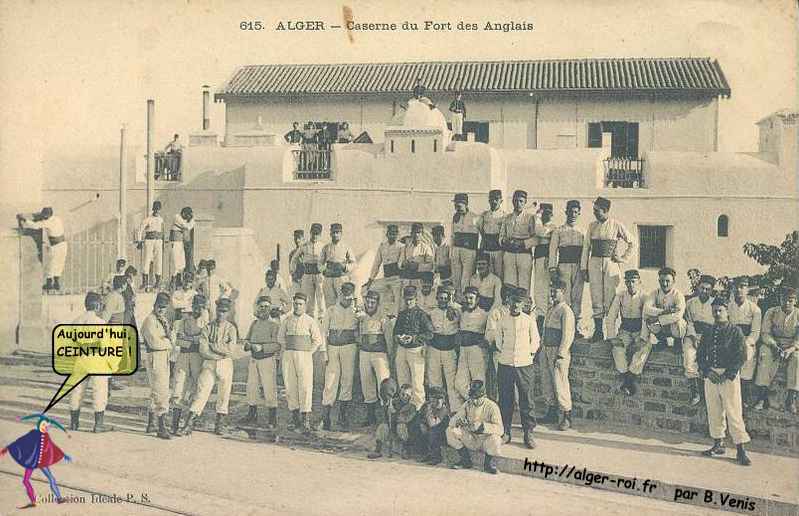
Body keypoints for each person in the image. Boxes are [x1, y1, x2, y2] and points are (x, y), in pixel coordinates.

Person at [697, 297, 752, 466]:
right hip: (711, 375)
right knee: (714, 410)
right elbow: (699, 355)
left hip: (729, 377)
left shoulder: (735, 331)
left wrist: (727, 374)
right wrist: (707, 371)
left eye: (720, 310)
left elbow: (741, 356)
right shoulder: (708, 331)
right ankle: (718, 444)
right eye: (714, 310)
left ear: (727, 311)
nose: (717, 313)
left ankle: (741, 449)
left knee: (733, 411)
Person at [179, 298, 239, 436]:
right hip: (210, 362)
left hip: (225, 364)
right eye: (219, 310)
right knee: (202, 391)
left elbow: (230, 350)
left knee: (224, 393)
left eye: (224, 311)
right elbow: (203, 349)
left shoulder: (231, 328)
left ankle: (220, 424)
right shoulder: (208, 326)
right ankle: (189, 423)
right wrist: (218, 353)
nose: (220, 314)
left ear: (228, 312)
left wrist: (214, 346)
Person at [580, 197, 635, 342]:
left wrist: (623, 258)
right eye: (594, 210)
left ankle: (611, 332)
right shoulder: (592, 226)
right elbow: (586, 247)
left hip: (611, 264)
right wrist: (584, 268)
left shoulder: (616, 224)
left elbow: (633, 242)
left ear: (606, 211)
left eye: (597, 211)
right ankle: (598, 332)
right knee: (596, 296)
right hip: (595, 263)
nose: (595, 213)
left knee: (611, 297)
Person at [494, 289, 539, 448]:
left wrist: (528, 356)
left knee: (526, 398)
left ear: (524, 303)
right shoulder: (503, 320)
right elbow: (498, 341)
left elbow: (535, 342)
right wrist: (506, 354)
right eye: (513, 301)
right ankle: (506, 431)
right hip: (505, 363)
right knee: (506, 398)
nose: (515, 305)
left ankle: (528, 432)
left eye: (519, 302)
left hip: (524, 364)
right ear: (509, 301)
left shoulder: (529, 321)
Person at [67, 291, 115, 433]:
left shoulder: (76, 321)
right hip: (97, 360)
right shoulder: (100, 323)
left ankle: (74, 423)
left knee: (77, 390)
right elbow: (106, 347)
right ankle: (98, 425)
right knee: (99, 391)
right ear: (97, 305)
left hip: (80, 359)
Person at [1, 414, 72, 508]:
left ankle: (59, 498)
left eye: (47, 426)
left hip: (42, 462)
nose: (45, 428)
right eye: (43, 425)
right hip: (31, 460)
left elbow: (52, 446)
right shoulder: (33, 433)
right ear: (39, 425)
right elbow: (21, 441)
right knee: (26, 481)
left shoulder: (46, 436)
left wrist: (63, 455)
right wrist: (6, 449)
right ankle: (33, 501)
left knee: (51, 479)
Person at [278, 292, 325, 434]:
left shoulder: (310, 320)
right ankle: (295, 418)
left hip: (304, 356)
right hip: (289, 355)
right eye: (295, 304)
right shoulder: (287, 320)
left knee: (305, 386)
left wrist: (308, 352)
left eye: (300, 304)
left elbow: (317, 340)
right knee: (290, 385)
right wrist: (289, 348)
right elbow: (280, 338)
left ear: (305, 305)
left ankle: (305, 419)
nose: (297, 306)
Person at [320, 282, 359, 430]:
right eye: (345, 296)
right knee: (330, 381)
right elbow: (323, 332)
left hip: (349, 347)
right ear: (340, 294)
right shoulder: (330, 310)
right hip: (333, 348)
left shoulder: (356, 311)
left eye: (350, 297)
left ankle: (342, 416)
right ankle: (326, 417)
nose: (347, 299)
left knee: (347, 379)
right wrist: (324, 353)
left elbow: (360, 326)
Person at [752, 287, 798, 413]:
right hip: (773, 343)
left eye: (790, 300)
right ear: (779, 299)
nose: (787, 303)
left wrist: (791, 349)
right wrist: (773, 345)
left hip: (792, 346)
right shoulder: (771, 312)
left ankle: (791, 398)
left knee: (797, 358)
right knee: (764, 353)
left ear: (795, 300)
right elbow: (765, 333)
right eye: (784, 300)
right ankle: (762, 396)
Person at [240, 296, 282, 430]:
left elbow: (277, 345)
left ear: (270, 308)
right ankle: (252, 414)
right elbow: (247, 339)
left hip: (267, 360)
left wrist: (262, 347)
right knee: (252, 387)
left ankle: (272, 417)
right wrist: (247, 344)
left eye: (266, 306)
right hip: (254, 359)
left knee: (269, 388)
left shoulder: (274, 325)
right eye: (261, 306)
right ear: (257, 308)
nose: (263, 309)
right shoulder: (254, 323)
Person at [539, 280, 576, 430]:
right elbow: (544, 330)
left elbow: (568, 334)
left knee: (560, 383)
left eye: (556, 290)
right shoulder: (550, 309)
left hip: (558, 351)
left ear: (563, 292)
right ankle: (551, 412)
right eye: (551, 290)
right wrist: (541, 347)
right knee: (547, 381)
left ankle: (566, 415)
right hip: (546, 349)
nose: (552, 293)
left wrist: (561, 353)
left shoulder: (566, 310)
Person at [607, 270, 650, 396]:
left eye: (633, 281)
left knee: (644, 349)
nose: (630, 284)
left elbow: (646, 319)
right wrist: (611, 337)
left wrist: (642, 338)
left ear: (639, 282)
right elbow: (611, 317)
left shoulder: (645, 297)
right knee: (617, 349)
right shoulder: (620, 296)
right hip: (625, 331)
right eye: (628, 281)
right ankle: (627, 377)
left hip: (639, 331)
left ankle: (629, 378)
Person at [446, 380, 503, 474]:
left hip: (485, 440)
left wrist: (482, 426)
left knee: (496, 439)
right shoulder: (468, 404)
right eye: (472, 397)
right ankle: (465, 460)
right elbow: (452, 422)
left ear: (484, 396)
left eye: (477, 398)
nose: (474, 400)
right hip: (471, 438)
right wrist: (458, 421)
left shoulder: (492, 406)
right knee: (450, 431)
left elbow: (500, 430)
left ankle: (488, 464)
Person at [172, 294, 210, 434]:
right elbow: (178, 340)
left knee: (197, 388)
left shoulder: (206, 322)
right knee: (178, 386)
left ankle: (189, 424)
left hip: (198, 356)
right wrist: (192, 339)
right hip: (183, 355)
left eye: (200, 307)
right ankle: (174, 424)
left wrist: (191, 338)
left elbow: (204, 339)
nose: (197, 309)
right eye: (195, 306)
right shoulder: (184, 320)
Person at [549, 200, 586, 339]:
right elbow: (553, 251)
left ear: (579, 213)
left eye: (576, 212)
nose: (573, 214)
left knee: (577, 298)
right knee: (565, 297)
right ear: (566, 212)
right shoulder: (559, 231)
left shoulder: (583, 231)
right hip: (563, 266)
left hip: (578, 267)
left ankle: (575, 328)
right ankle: (563, 327)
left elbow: (586, 251)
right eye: (570, 211)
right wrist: (552, 268)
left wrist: (584, 268)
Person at [141, 293, 176, 439]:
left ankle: (151, 423)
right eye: (159, 306)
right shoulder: (150, 320)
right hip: (155, 356)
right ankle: (161, 426)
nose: (161, 309)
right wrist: (168, 341)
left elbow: (173, 337)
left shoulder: (163, 320)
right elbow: (155, 342)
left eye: (164, 307)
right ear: (154, 305)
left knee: (157, 390)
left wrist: (168, 340)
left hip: (164, 356)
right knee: (161, 391)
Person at [394, 285, 434, 409]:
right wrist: (398, 337)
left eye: (411, 299)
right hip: (402, 350)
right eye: (406, 299)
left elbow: (429, 333)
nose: (408, 302)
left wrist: (414, 338)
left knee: (417, 383)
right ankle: (405, 407)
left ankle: (418, 409)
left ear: (416, 299)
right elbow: (395, 331)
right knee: (403, 380)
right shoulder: (402, 314)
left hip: (416, 350)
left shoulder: (421, 314)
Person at [357, 290, 394, 427]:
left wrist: (390, 356)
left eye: (373, 302)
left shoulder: (383, 318)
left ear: (377, 303)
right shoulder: (361, 317)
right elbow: (359, 335)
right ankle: (371, 417)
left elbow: (389, 340)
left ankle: (386, 418)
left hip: (380, 355)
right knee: (367, 385)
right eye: (368, 301)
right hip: (365, 353)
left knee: (383, 385)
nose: (370, 304)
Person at [683, 274, 717, 406]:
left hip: (708, 337)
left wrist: (705, 340)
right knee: (689, 357)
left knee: (707, 360)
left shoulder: (715, 303)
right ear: (698, 287)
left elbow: (717, 324)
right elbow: (688, 322)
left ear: (711, 290)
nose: (704, 291)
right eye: (702, 288)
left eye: (708, 289)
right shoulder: (690, 303)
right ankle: (695, 391)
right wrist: (692, 337)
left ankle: (706, 393)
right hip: (692, 336)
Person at [727, 277, 762, 406]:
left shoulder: (755, 309)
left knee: (747, 355)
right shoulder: (728, 307)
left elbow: (755, 332)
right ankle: (730, 395)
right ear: (732, 288)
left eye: (742, 286)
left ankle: (744, 394)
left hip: (747, 341)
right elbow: (725, 327)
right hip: (730, 340)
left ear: (747, 289)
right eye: (736, 287)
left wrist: (746, 343)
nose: (739, 290)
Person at [427, 285, 462, 412]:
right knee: (434, 380)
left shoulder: (457, 310)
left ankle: (454, 410)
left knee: (451, 382)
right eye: (440, 298)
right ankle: (436, 409)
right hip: (434, 349)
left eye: (445, 298)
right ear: (437, 298)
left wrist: (452, 306)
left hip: (449, 349)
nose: (442, 300)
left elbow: (462, 317)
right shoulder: (432, 312)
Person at [17, 207, 67, 293]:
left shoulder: (47, 222)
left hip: (55, 245)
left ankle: (49, 283)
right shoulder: (57, 219)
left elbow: (35, 226)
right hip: (63, 244)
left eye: (45, 215)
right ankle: (56, 283)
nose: (43, 217)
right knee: (58, 263)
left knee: (51, 264)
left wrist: (24, 219)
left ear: (48, 215)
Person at [454, 287, 489, 408]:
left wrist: (486, 342)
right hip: (464, 350)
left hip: (476, 351)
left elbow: (491, 331)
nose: (468, 301)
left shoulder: (484, 314)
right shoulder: (461, 313)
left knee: (478, 381)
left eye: (471, 298)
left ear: (477, 299)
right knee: (459, 382)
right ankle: (472, 403)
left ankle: (482, 408)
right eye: (467, 298)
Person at [500, 190, 536, 292]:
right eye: (516, 201)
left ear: (525, 202)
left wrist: (523, 243)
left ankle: (523, 307)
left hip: (524, 254)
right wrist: (505, 242)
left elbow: (535, 238)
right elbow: (501, 236)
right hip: (509, 254)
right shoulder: (507, 218)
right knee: (510, 285)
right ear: (512, 202)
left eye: (521, 201)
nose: (518, 204)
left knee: (524, 286)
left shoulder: (530, 218)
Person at [370, 383, 417, 459]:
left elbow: (404, 419)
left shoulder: (412, 407)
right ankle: (378, 449)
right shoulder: (393, 402)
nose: (404, 397)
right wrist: (387, 409)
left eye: (407, 395)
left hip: (405, 431)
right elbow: (383, 416)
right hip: (391, 427)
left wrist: (395, 412)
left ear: (411, 395)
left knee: (401, 426)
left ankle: (405, 449)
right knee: (383, 426)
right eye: (402, 394)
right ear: (399, 393)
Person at [365, 224, 403, 314]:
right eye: (390, 233)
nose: (392, 236)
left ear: (397, 235)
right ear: (387, 234)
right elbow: (376, 264)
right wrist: (371, 279)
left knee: (398, 301)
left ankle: (397, 318)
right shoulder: (382, 246)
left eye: (394, 234)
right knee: (374, 292)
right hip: (386, 278)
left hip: (397, 278)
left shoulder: (401, 246)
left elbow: (401, 264)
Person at [292, 223, 326, 318]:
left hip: (319, 275)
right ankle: (309, 317)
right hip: (307, 275)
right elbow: (294, 259)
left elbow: (328, 260)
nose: (315, 236)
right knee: (308, 298)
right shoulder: (304, 246)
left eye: (317, 234)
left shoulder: (323, 246)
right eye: (313, 233)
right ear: (310, 233)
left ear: (320, 235)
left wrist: (324, 270)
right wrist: (293, 271)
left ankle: (321, 317)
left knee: (321, 297)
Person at [531, 203, 555, 332]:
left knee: (546, 290)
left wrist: (537, 215)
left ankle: (546, 320)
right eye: (543, 213)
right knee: (538, 290)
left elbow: (540, 231)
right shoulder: (538, 226)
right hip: (538, 259)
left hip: (548, 260)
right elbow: (532, 239)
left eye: (548, 213)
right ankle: (540, 319)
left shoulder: (551, 227)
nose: (546, 215)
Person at [451, 193, 480, 299]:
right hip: (456, 250)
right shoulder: (455, 217)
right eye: (455, 205)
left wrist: (477, 252)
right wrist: (452, 252)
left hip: (469, 251)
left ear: (465, 204)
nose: (457, 207)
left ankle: (465, 299)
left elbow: (479, 236)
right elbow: (452, 235)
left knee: (466, 279)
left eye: (459, 205)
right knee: (456, 278)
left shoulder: (475, 217)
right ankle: (458, 299)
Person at [320, 223, 356, 308]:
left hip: (341, 278)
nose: (335, 235)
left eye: (337, 232)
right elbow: (320, 263)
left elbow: (354, 263)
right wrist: (324, 270)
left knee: (343, 301)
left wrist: (345, 267)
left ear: (341, 234)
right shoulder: (326, 247)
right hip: (329, 278)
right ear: (330, 234)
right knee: (330, 304)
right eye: (333, 232)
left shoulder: (346, 247)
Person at [414, 386, 450, 464]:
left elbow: (432, 423)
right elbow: (419, 416)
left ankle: (436, 457)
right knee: (418, 428)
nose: (436, 401)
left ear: (443, 399)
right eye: (433, 398)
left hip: (442, 433)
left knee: (433, 432)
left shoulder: (443, 409)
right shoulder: (426, 405)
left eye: (439, 398)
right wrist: (421, 424)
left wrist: (429, 410)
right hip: (429, 429)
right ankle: (425, 453)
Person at [477, 189, 506, 279]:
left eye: (496, 199)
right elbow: (481, 231)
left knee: (498, 276)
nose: (494, 201)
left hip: (498, 250)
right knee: (487, 275)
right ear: (489, 200)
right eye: (491, 199)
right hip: (486, 249)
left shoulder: (504, 216)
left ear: (501, 201)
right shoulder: (484, 215)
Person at [137, 201, 165, 291]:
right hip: (149, 241)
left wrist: (162, 242)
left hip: (158, 241)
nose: (157, 210)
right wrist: (139, 241)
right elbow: (140, 230)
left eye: (158, 209)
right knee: (147, 260)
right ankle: (145, 282)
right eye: (156, 209)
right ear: (153, 209)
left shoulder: (161, 219)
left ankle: (157, 282)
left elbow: (163, 231)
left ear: (160, 209)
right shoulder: (148, 219)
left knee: (158, 261)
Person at [399, 223, 434, 294]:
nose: (416, 235)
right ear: (411, 233)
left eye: (419, 232)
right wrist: (403, 264)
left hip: (420, 278)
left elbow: (430, 266)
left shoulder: (426, 248)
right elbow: (400, 262)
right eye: (414, 232)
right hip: (407, 277)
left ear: (422, 234)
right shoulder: (405, 247)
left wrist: (418, 266)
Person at [170, 207, 195, 288]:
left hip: (180, 243)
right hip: (175, 242)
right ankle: (173, 281)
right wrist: (192, 220)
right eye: (187, 215)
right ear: (183, 213)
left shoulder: (183, 220)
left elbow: (189, 227)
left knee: (182, 264)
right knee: (176, 264)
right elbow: (187, 227)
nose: (188, 217)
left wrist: (191, 220)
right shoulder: (177, 217)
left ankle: (178, 281)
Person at [288, 229, 306, 295]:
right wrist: (294, 278)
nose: (297, 240)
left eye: (299, 238)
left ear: (303, 239)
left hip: (306, 281)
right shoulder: (292, 253)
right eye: (295, 238)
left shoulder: (307, 252)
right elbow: (291, 270)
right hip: (296, 281)